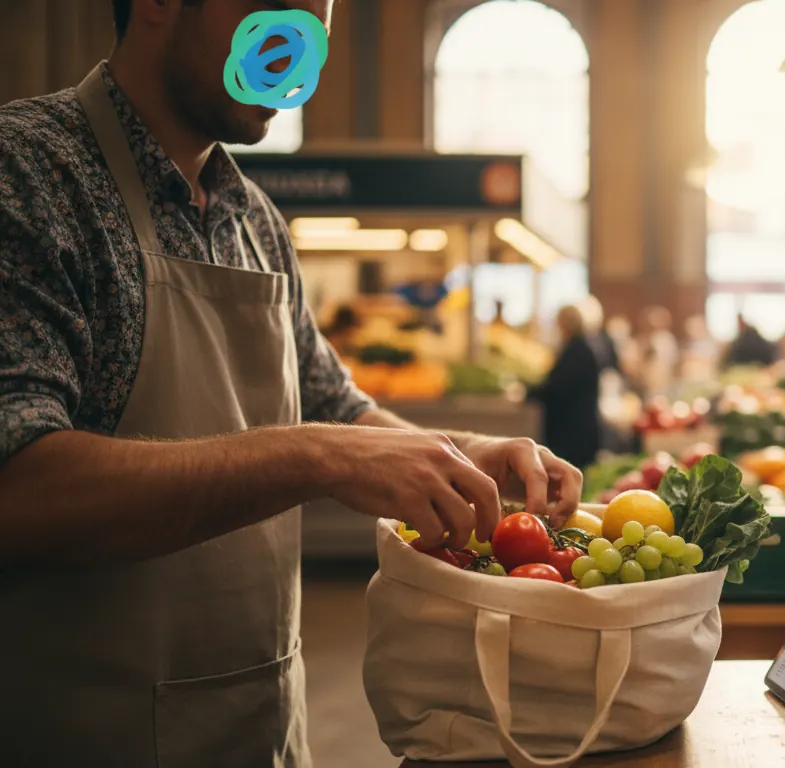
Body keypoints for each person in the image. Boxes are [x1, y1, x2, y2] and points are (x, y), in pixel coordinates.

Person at [0, 2, 581, 765]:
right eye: (279, 27)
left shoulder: (256, 219)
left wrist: (467, 453)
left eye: (317, 39)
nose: (299, 69)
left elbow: (332, 403)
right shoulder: (29, 173)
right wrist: (315, 456)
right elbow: (20, 486)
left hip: (262, 727)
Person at [528, 306, 602, 469]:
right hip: (576, 431)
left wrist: (530, 392)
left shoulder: (578, 351)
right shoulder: (578, 348)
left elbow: (558, 387)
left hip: (574, 433)